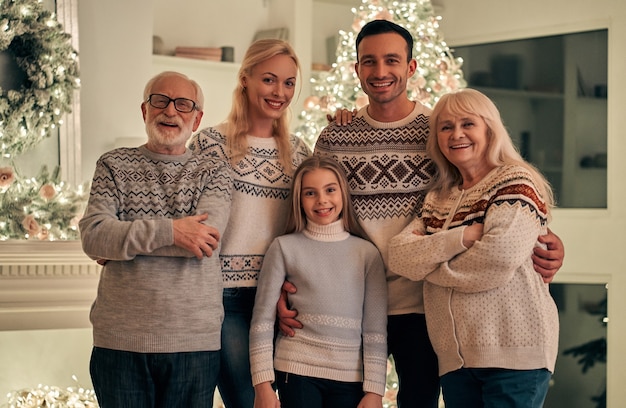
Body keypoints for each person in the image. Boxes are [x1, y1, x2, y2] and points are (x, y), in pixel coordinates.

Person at [278, 19, 565, 408]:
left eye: (392, 60)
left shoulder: (441, 131)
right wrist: (285, 282)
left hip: (425, 306)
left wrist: (549, 242)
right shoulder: (335, 137)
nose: (381, 72)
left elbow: (496, 198)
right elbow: (315, 215)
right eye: (370, 62)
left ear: (411, 67)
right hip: (350, 303)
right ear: (357, 69)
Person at [388, 88, 559, 407]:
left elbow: (498, 258)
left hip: (513, 358)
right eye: (446, 127)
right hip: (456, 363)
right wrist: (462, 238)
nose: (456, 134)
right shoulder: (439, 198)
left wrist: (430, 267)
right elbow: (400, 256)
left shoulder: (515, 181)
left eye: (468, 124)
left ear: (489, 129)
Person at [79, 71, 232, 407]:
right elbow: (93, 236)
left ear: (197, 117)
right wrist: (174, 231)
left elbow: (205, 243)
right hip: (120, 341)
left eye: (183, 104)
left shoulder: (214, 171)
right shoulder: (113, 165)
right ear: (145, 110)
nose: (170, 111)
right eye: (160, 101)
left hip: (193, 340)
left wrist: (124, 241)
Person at [187, 39, 311, 408]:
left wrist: (288, 291)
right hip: (223, 297)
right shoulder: (209, 143)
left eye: (289, 83)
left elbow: (306, 230)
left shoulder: (300, 152)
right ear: (245, 79)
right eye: (269, 80)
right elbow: (182, 210)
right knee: (247, 399)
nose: (280, 92)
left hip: (279, 298)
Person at [250, 156, 388, 408]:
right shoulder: (283, 247)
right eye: (310, 193)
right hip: (296, 369)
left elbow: (375, 330)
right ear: (299, 200)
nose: (322, 200)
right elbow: (262, 320)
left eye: (330, 190)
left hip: (350, 376)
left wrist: (375, 391)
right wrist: (262, 386)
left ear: (343, 193)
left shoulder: (367, 254)